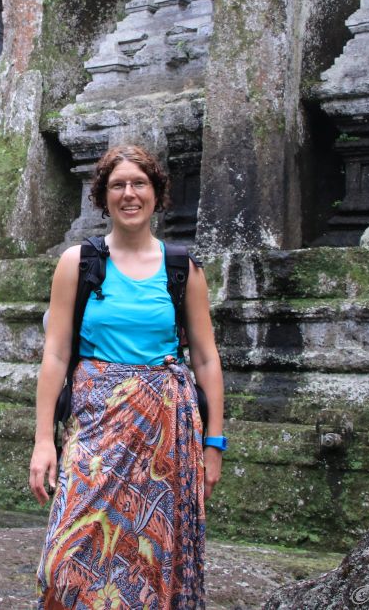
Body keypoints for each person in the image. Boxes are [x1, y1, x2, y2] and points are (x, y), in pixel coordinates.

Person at [30, 144, 225, 609]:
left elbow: (206, 359)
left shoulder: (182, 269)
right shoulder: (78, 264)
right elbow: (55, 354)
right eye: (118, 186)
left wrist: (213, 444)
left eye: (140, 184)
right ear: (103, 197)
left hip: (165, 434)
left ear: (157, 194)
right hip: (95, 427)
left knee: (149, 555)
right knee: (65, 561)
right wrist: (43, 440)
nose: (129, 194)